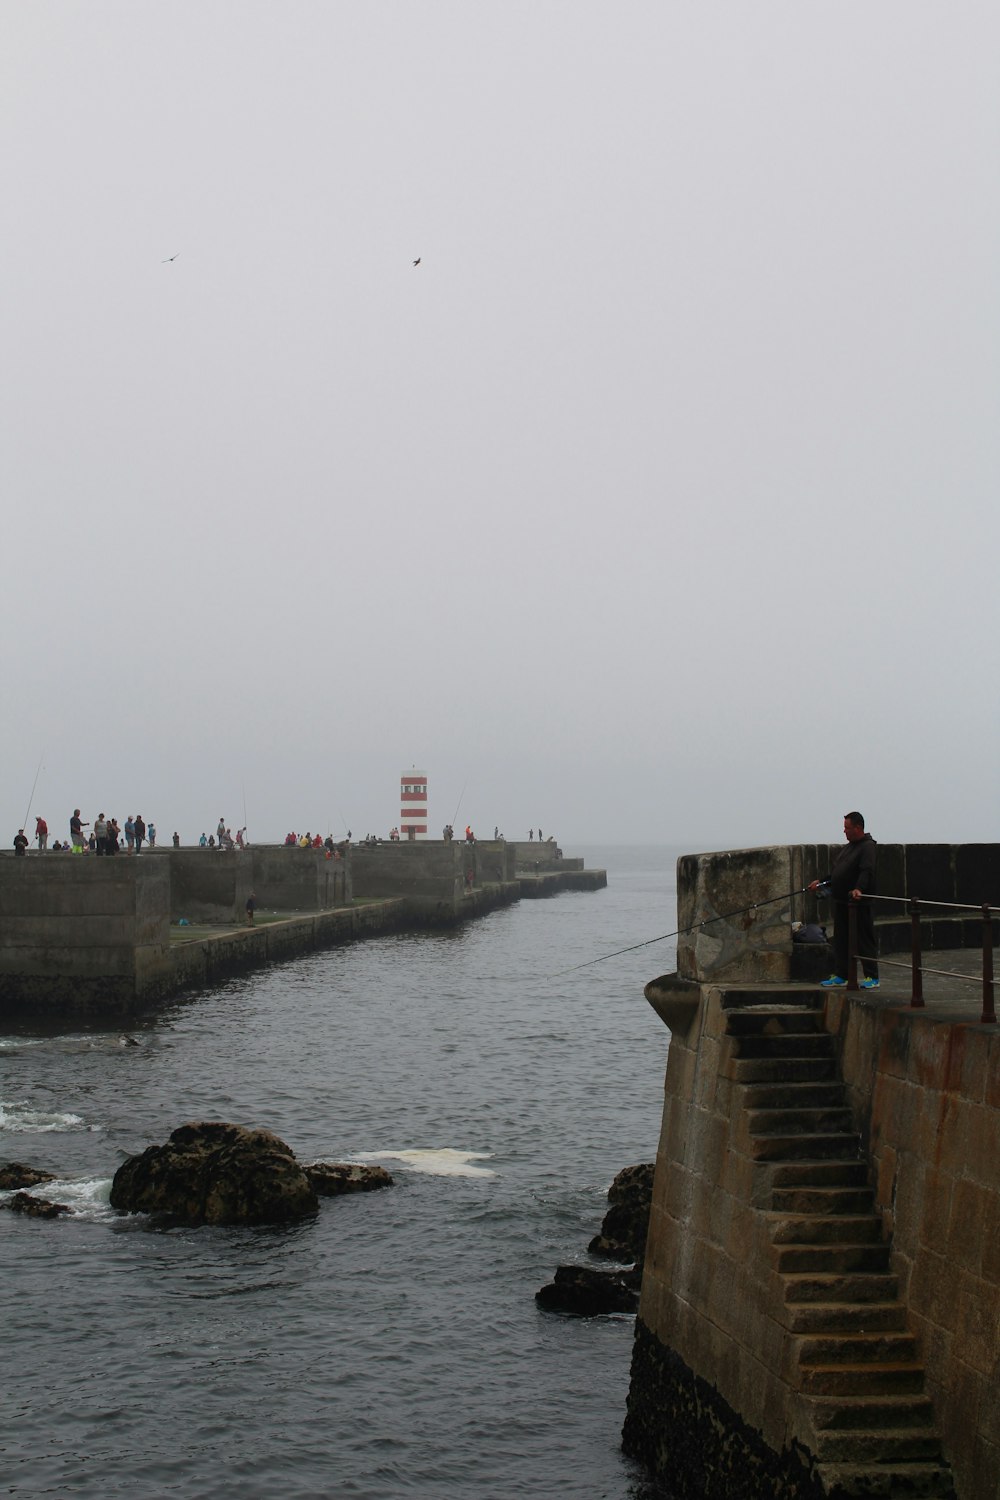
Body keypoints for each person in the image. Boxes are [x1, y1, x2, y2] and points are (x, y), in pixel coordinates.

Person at [808, 811, 879, 989]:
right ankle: (842, 974)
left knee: (864, 939)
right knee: (841, 940)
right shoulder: (850, 847)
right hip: (841, 901)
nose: (844, 831)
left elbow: (866, 871)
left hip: (859, 902)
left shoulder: (867, 847)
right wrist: (821, 882)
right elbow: (837, 873)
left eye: (847, 828)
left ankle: (872, 977)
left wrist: (859, 889)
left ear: (858, 828)